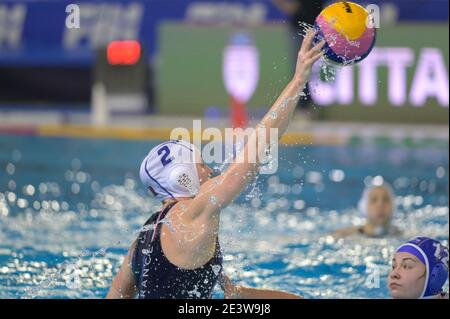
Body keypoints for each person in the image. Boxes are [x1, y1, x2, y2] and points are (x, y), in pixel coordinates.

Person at [106, 31, 326, 299]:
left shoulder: (143, 239)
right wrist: (298, 80)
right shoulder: (193, 213)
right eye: (200, 164)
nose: (210, 170)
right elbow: (253, 153)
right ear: (181, 177)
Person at [272, 0, 325, 110]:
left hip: (322, 28)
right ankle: (302, 108)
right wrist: (287, 5)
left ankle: (309, 107)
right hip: (299, 26)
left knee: (316, 70)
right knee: (300, 69)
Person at [332, 182, 401, 238]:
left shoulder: (400, 234)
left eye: (385, 199)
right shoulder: (347, 234)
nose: (380, 205)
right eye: (374, 200)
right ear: (365, 207)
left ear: (392, 206)